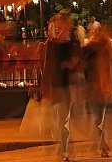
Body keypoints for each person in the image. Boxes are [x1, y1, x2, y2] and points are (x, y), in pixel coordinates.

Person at [41, 13, 83, 162]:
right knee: (59, 121)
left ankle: (64, 150)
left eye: (61, 24)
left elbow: (75, 65)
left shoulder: (70, 44)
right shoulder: (52, 44)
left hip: (65, 86)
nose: (59, 28)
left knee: (63, 120)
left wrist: (72, 63)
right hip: (56, 85)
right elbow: (47, 66)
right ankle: (63, 150)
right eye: (57, 24)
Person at [82, 24, 112, 158]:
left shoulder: (105, 51)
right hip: (94, 87)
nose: (96, 34)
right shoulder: (89, 50)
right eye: (94, 32)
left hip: (102, 87)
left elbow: (109, 71)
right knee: (99, 118)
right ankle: (101, 145)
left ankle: (100, 144)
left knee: (100, 118)